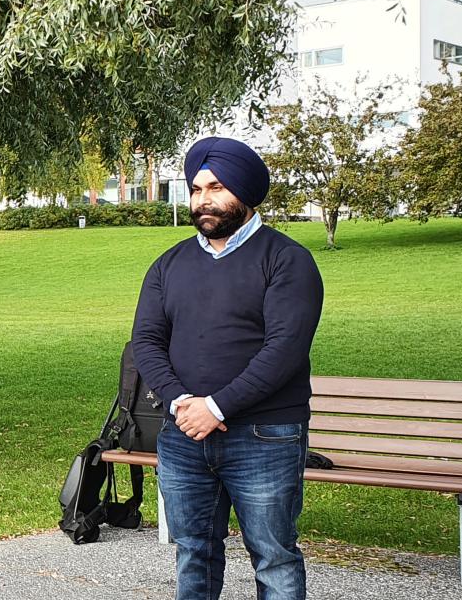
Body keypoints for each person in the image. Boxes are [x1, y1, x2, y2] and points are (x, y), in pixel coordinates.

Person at [131, 137, 324, 600]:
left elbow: (284, 350)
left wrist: (216, 407)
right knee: (194, 550)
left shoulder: (287, 260)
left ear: (244, 191)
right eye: (196, 189)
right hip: (183, 434)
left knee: (273, 555)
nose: (203, 201)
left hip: (264, 436)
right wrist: (181, 402)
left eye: (216, 187)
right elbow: (147, 341)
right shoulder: (169, 264)